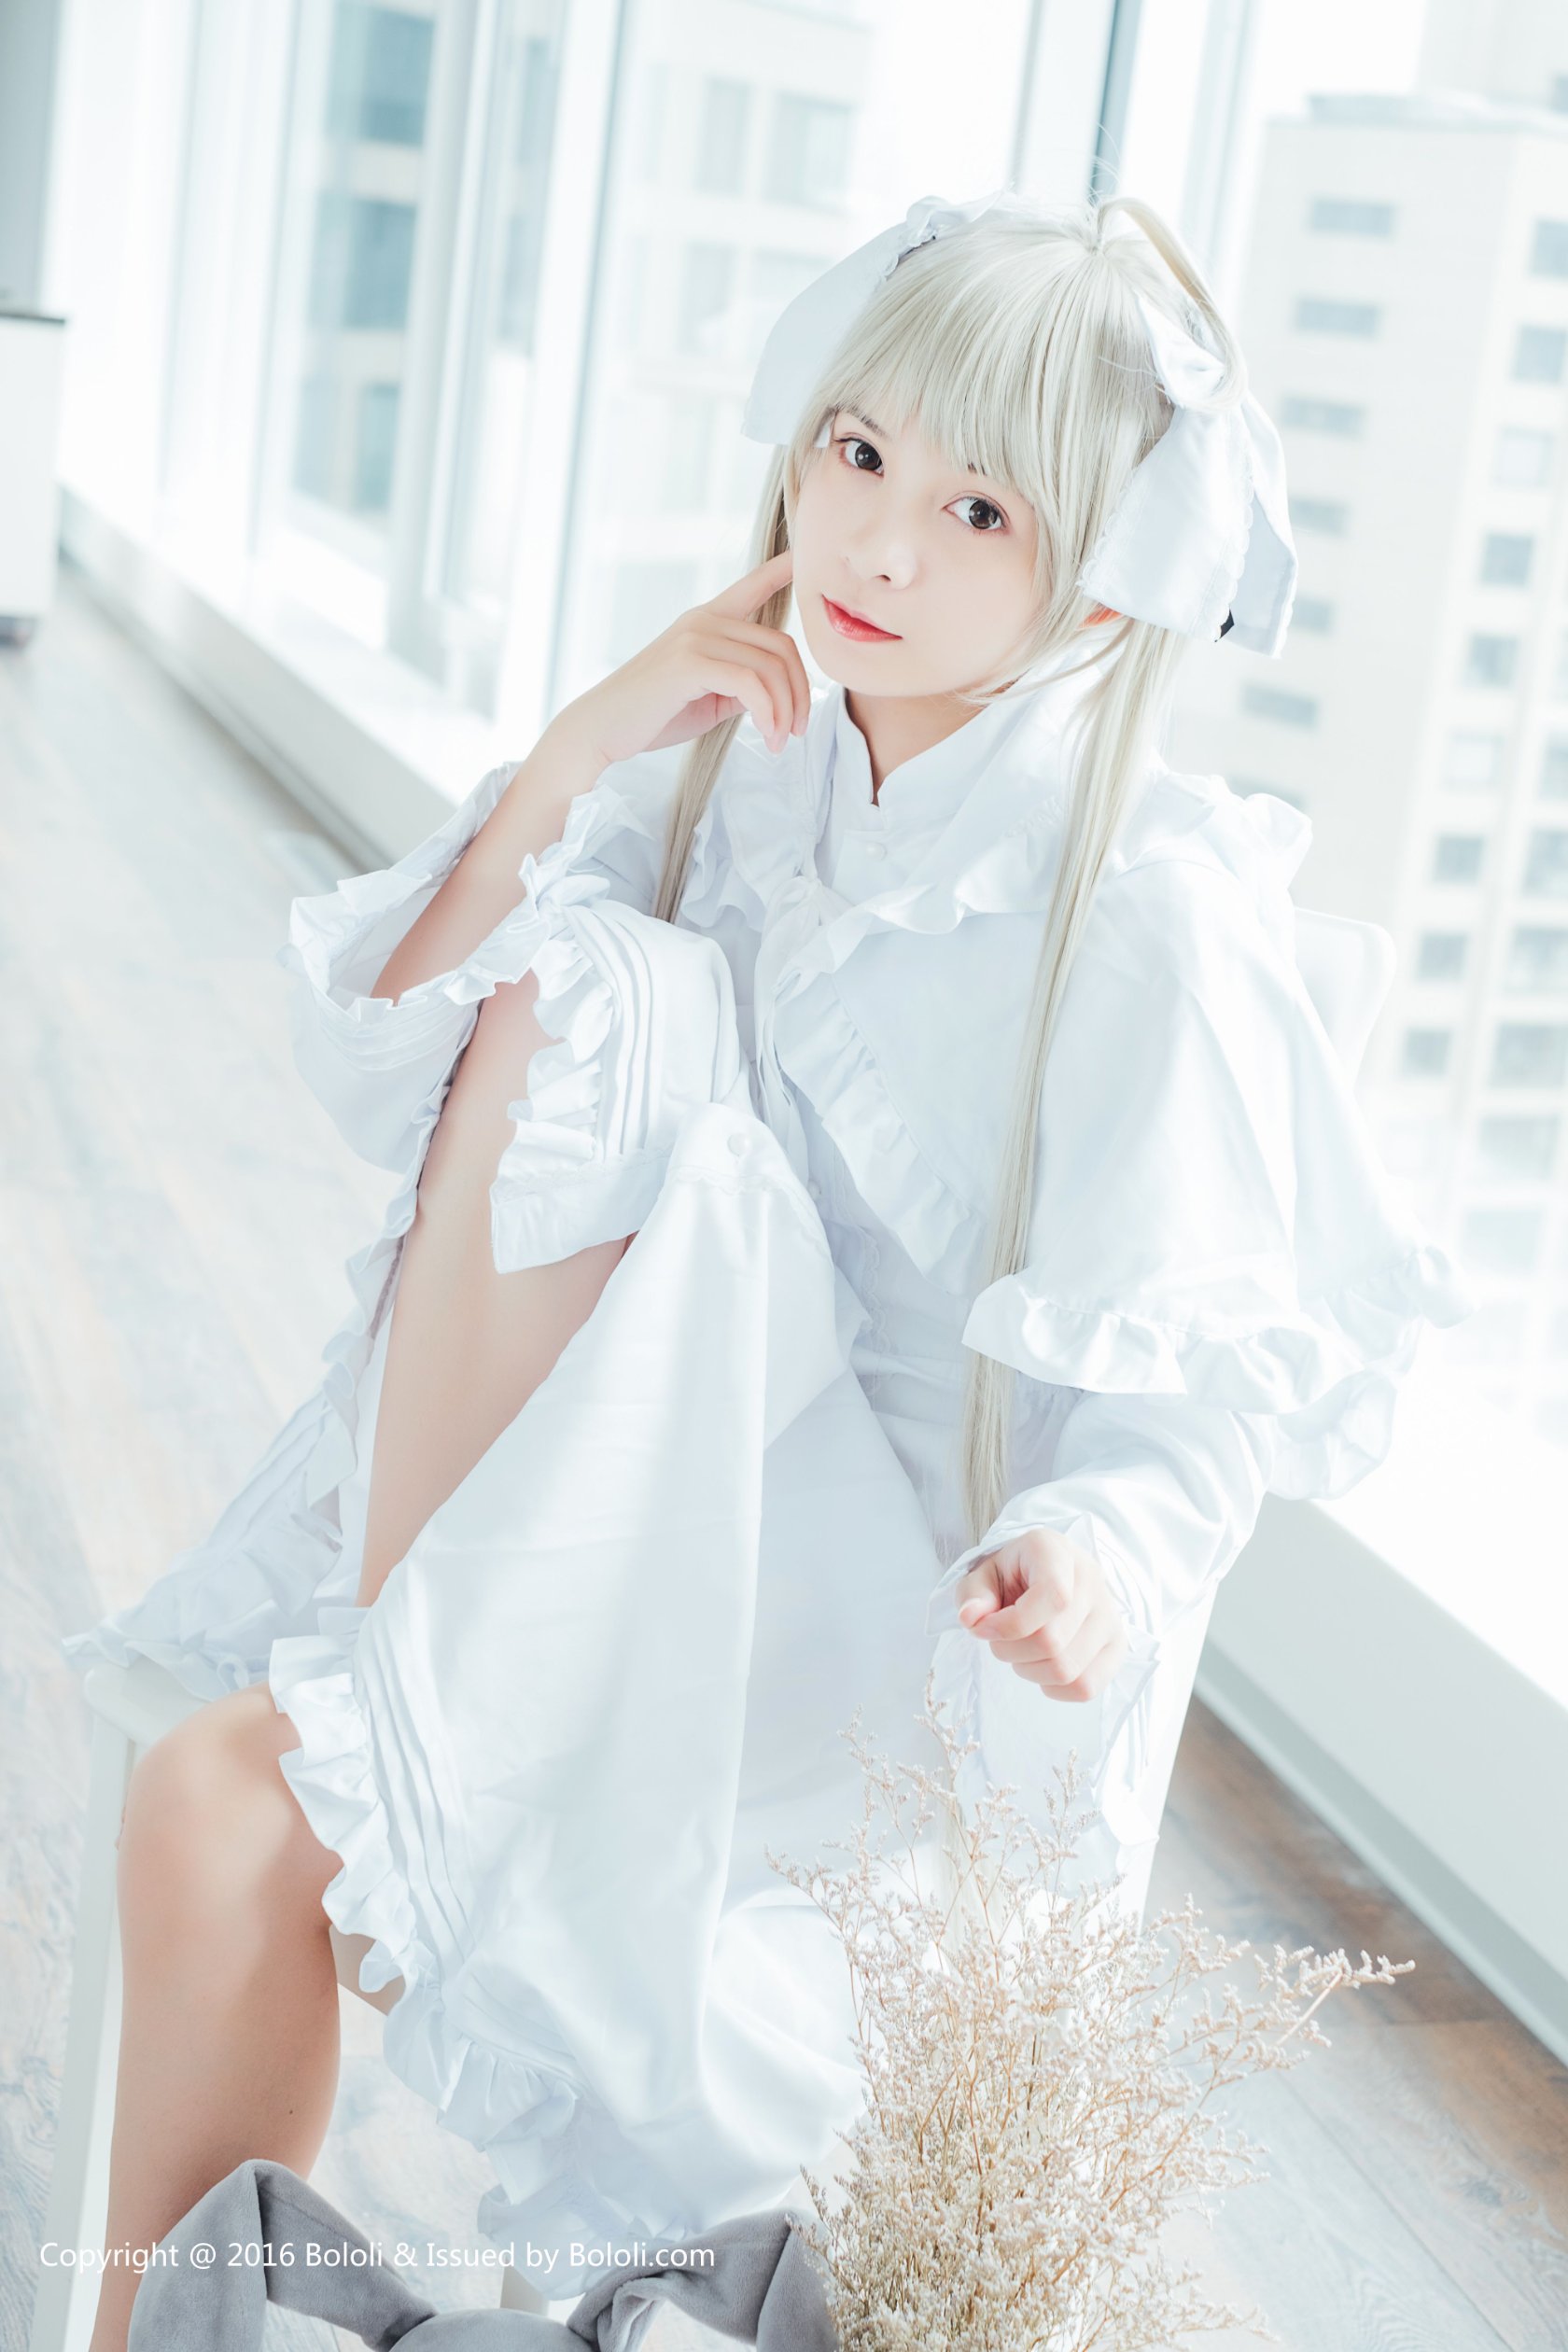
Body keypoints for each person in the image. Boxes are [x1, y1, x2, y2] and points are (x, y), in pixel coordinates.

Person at [63, 188, 1473, 2348]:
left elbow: (1194, 1393)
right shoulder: (742, 756)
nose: (878, 545)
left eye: (979, 508)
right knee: (211, 1806)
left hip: (855, 1633)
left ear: (1103, 567)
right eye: (858, 451)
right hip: (602, 1523)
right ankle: (400, 1746)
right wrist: (590, 740)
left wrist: (1095, 1548)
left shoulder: (1144, 911)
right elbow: (390, 1060)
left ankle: (418, 1738)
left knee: (612, 1013)